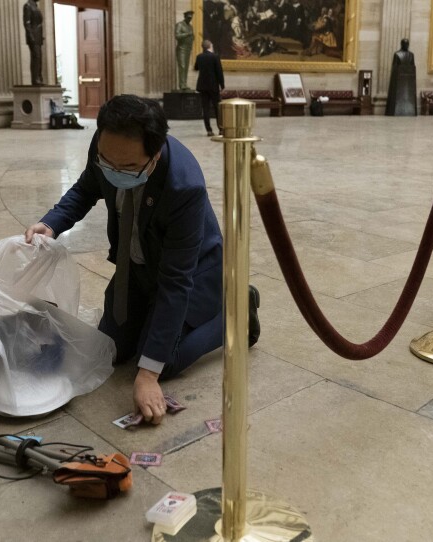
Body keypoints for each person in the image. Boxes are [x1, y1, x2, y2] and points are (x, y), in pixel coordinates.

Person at [24, 95, 260, 425]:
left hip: (193, 273)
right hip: (137, 266)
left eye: (130, 167)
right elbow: (87, 187)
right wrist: (51, 223)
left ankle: (237, 313)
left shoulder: (184, 186)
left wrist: (149, 376)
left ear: (156, 152)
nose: (116, 171)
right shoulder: (108, 142)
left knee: (165, 360)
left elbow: (177, 282)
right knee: (111, 349)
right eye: (109, 162)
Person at [194, 39, 225, 137]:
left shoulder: (199, 57)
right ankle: (221, 129)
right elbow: (219, 72)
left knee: (205, 109)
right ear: (210, 46)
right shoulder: (215, 57)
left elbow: (196, 68)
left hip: (202, 86)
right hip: (213, 86)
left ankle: (209, 130)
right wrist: (222, 85)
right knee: (217, 108)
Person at [385, 38, 417, 116]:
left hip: (408, 80)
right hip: (399, 80)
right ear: (402, 44)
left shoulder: (411, 55)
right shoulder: (397, 54)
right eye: (405, 44)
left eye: (407, 44)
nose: (406, 45)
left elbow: (412, 66)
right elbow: (394, 67)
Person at [24, 0, 45, 85]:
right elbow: (27, 24)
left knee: (39, 57)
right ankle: (35, 79)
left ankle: (39, 77)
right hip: (33, 36)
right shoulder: (28, 6)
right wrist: (31, 36)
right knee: (36, 57)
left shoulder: (35, 6)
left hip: (38, 36)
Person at [175, 11, 194, 90]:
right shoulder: (180, 24)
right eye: (188, 17)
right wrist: (187, 34)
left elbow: (192, 35)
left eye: (191, 18)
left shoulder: (190, 26)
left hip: (188, 49)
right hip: (181, 48)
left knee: (186, 67)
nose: (190, 19)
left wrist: (192, 37)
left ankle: (184, 84)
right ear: (185, 16)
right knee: (182, 66)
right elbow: (177, 36)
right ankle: (181, 85)